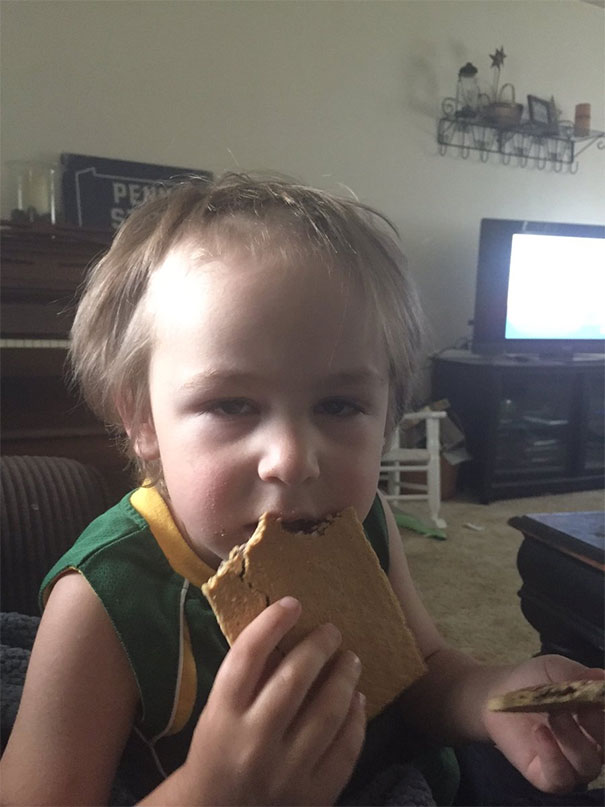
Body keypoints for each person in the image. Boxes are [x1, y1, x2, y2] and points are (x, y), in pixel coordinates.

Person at [1, 172, 603, 807]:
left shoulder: (363, 524)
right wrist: (213, 791)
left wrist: (493, 699)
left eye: (340, 406)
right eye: (232, 404)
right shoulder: (105, 598)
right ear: (143, 420)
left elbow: (422, 674)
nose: (292, 461)